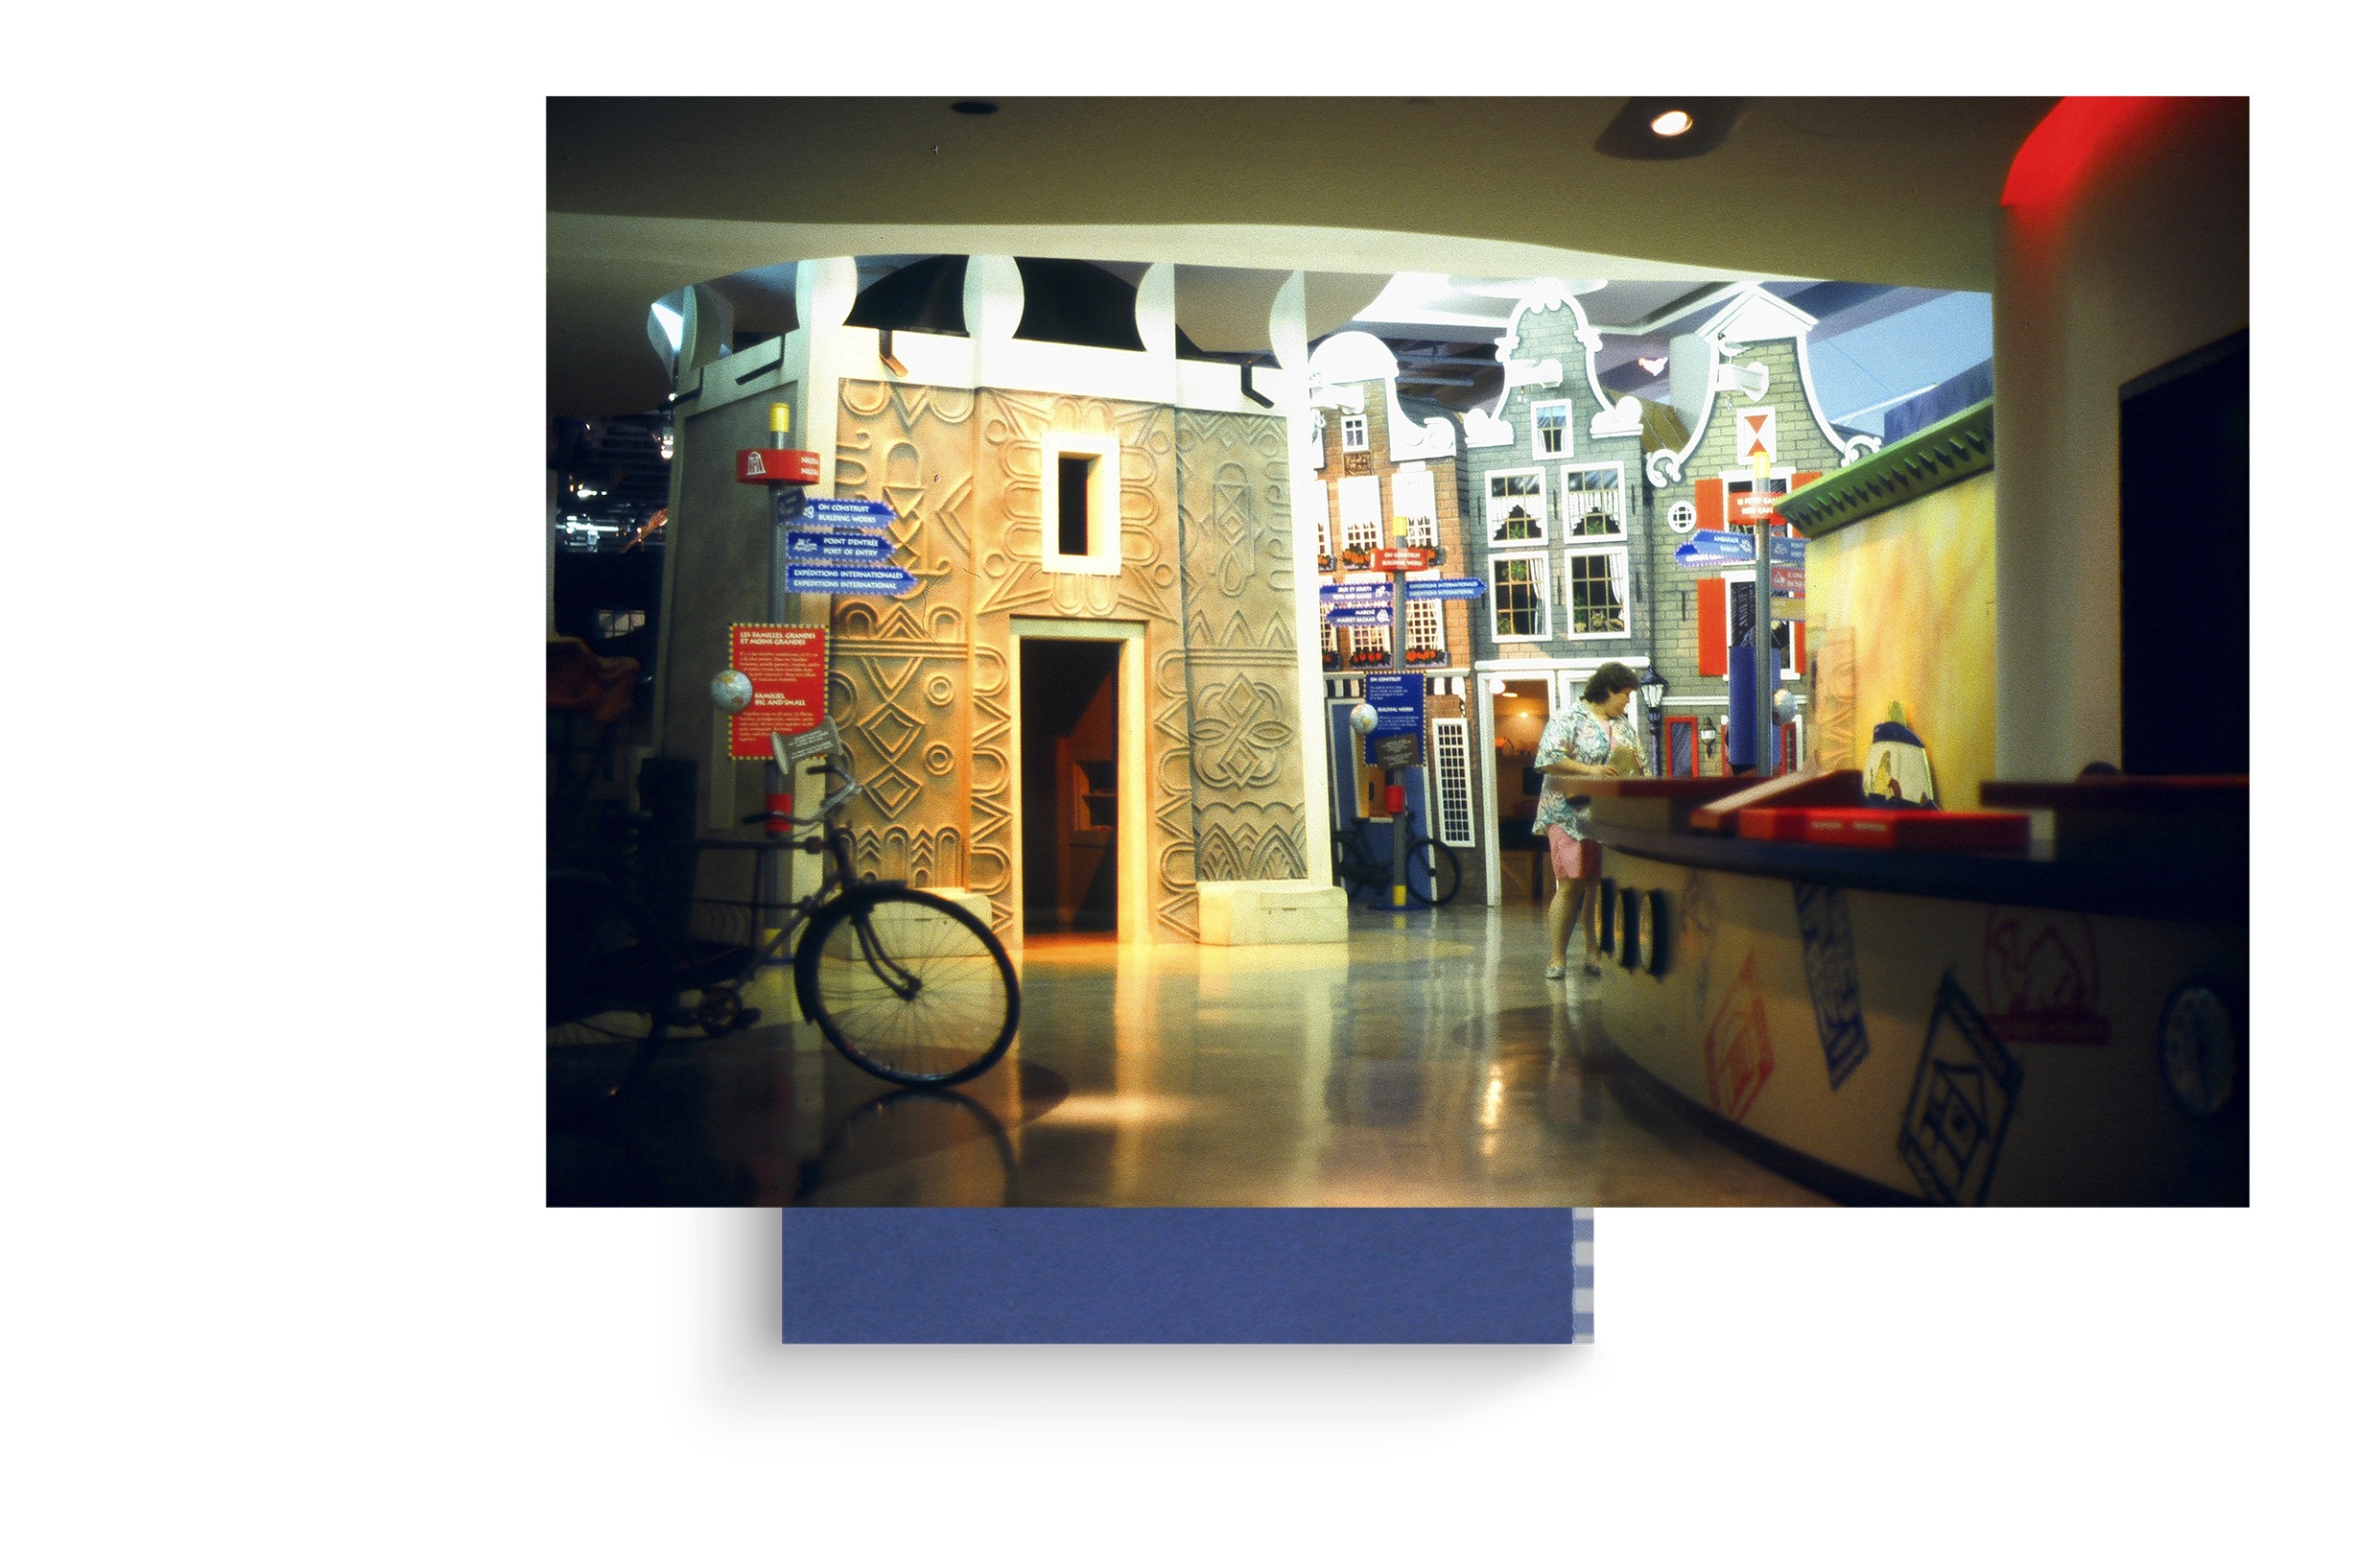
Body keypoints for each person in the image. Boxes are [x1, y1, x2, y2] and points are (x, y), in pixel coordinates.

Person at [1534, 662, 1643, 978]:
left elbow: (1638, 763)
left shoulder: (1623, 725)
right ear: (1608, 690)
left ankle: (1594, 953)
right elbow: (1547, 759)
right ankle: (1557, 957)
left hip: (1606, 815)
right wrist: (1590, 771)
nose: (1628, 701)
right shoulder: (1568, 718)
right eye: (1625, 694)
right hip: (1567, 813)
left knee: (1597, 885)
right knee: (1571, 885)